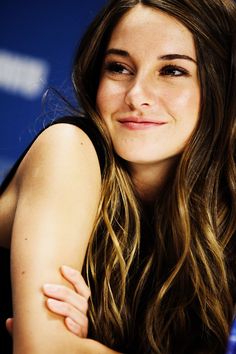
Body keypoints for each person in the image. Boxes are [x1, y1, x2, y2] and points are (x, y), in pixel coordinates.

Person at [0, 0, 235, 353]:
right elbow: (42, 348)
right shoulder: (69, 149)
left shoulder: (224, 211)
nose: (137, 95)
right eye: (120, 68)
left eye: (171, 70)